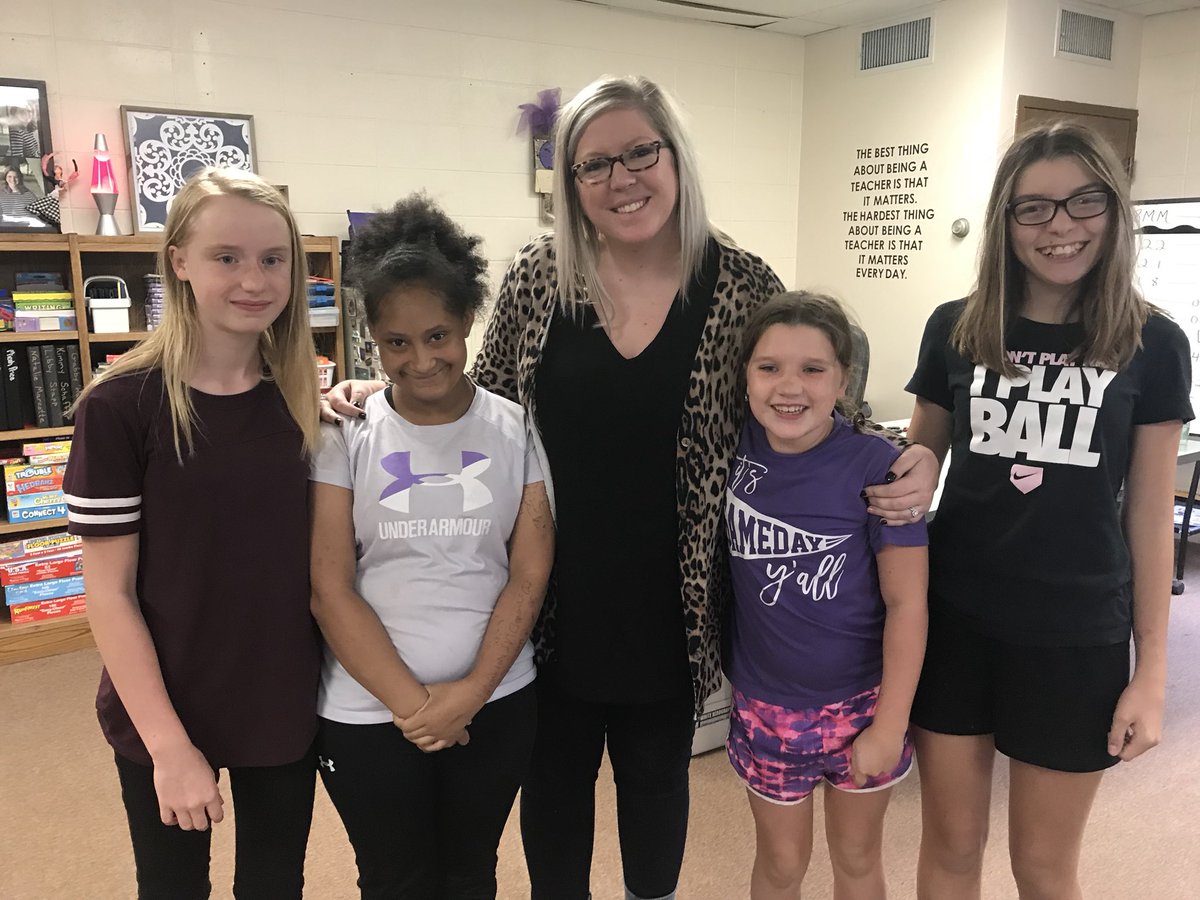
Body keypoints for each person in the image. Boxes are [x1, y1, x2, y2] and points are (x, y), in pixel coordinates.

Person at [324, 75, 937, 900]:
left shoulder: (742, 284)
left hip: (674, 609)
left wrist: (914, 457)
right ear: (570, 186)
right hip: (541, 603)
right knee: (553, 802)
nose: (622, 180)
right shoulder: (543, 279)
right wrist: (379, 394)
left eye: (640, 153)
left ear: (675, 157)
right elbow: (480, 400)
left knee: (656, 794)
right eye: (594, 164)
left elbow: (817, 410)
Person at [905, 121, 1192, 900]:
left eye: (1082, 202)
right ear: (1005, 219)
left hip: (1075, 635)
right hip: (954, 621)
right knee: (952, 847)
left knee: (1042, 865)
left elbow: (1148, 517)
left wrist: (1152, 674)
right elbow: (919, 471)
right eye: (1033, 208)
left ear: (1114, 209)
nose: (1060, 227)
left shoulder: (1153, 343)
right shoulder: (956, 328)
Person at [63, 168, 322, 899]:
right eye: (226, 257)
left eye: (274, 259)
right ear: (179, 261)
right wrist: (168, 746)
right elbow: (108, 595)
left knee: (275, 885)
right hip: (166, 708)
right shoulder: (121, 407)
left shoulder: (305, 399)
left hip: (280, 700)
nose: (254, 280)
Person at [308, 193, 554, 899]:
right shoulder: (344, 433)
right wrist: (417, 708)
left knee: (471, 873)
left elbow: (528, 577)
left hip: (498, 702)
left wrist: (470, 695)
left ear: (469, 321)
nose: (420, 360)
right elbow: (330, 589)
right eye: (397, 343)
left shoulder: (515, 428)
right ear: (374, 340)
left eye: (439, 336)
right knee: (395, 880)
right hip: (367, 712)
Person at [724, 292, 928, 899]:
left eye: (813, 369)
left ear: (843, 379)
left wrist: (890, 725)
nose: (790, 387)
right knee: (782, 864)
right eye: (769, 367)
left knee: (859, 860)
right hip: (767, 706)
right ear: (745, 377)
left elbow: (908, 605)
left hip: (863, 703)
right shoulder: (725, 452)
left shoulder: (880, 468)